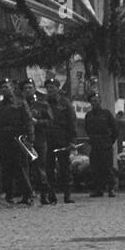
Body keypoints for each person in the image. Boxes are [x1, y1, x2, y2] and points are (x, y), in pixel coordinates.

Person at [0, 78, 36, 205]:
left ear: (12, 87)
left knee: (21, 168)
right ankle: (9, 195)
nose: (4, 89)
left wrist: (30, 139)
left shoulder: (20, 102)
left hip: (18, 139)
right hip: (4, 140)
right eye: (2, 88)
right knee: (6, 169)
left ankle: (27, 195)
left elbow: (28, 121)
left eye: (6, 86)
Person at [43, 75, 78, 203]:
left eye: (52, 87)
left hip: (62, 139)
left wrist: (72, 140)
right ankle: (51, 194)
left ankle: (67, 195)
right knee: (49, 168)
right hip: (48, 140)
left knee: (65, 168)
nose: (50, 90)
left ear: (58, 88)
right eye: (47, 88)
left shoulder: (65, 103)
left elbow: (72, 122)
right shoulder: (43, 103)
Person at [21, 79, 54, 204]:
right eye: (25, 88)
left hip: (40, 140)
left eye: (30, 87)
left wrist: (37, 122)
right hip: (25, 141)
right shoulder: (20, 105)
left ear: (34, 88)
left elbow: (51, 122)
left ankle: (44, 195)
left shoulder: (42, 104)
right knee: (25, 169)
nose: (28, 90)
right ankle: (27, 195)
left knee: (40, 169)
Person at [83, 91, 118, 198]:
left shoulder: (106, 114)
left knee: (107, 167)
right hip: (94, 144)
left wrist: (109, 141)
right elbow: (87, 129)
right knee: (95, 168)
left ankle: (111, 188)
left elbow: (115, 130)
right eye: (93, 101)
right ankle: (98, 189)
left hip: (105, 144)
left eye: (97, 100)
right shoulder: (88, 115)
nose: (95, 103)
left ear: (100, 101)